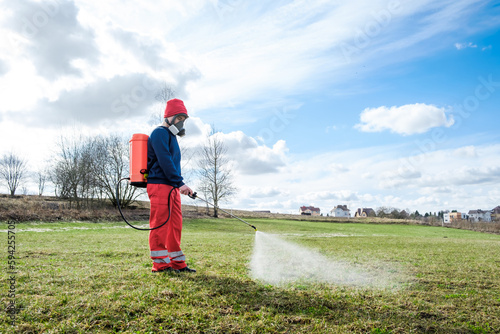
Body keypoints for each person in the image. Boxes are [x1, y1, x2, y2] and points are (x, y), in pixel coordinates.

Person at [146, 98, 196, 273]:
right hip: (159, 185)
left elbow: (173, 164)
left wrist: (178, 184)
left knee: (175, 225)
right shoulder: (159, 133)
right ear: (169, 117)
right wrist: (180, 182)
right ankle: (160, 264)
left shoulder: (172, 137)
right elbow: (165, 161)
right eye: (179, 118)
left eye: (184, 119)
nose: (182, 123)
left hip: (172, 187)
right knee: (160, 224)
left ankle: (177, 263)